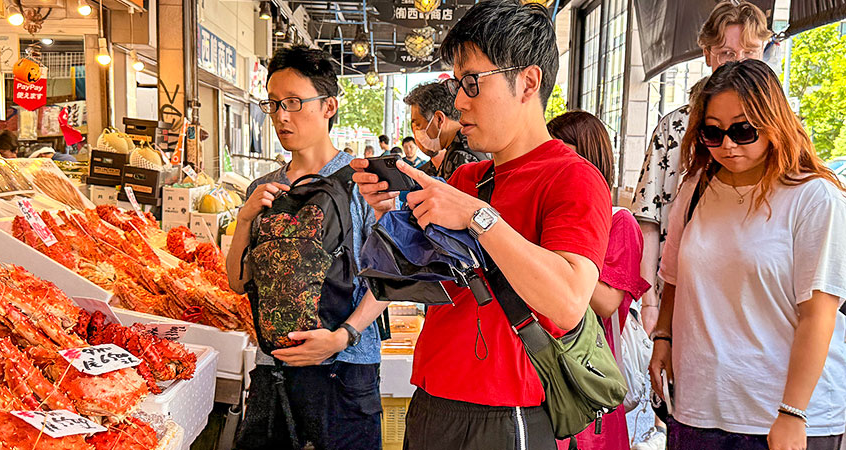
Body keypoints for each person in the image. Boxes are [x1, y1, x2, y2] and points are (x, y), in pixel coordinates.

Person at [351, 1, 612, 448]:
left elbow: (569, 302)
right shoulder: (468, 177)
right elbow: (424, 285)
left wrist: (477, 216)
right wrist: (391, 218)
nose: (458, 100)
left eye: (472, 82)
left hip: (507, 412)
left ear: (527, 82)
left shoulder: (573, 177)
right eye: (457, 83)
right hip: (433, 398)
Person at [649, 59, 846, 450]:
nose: (727, 145)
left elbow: (819, 314)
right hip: (697, 411)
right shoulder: (694, 189)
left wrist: (793, 413)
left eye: (743, 130)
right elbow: (674, 276)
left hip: (782, 417)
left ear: (773, 123)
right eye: (713, 132)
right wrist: (663, 336)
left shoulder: (814, 197)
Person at [225, 45, 387, 450]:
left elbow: (388, 275)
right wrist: (245, 220)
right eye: (274, 103)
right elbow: (238, 281)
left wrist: (343, 336)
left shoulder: (364, 182)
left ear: (329, 105)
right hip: (274, 369)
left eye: (295, 102)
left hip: (345, 369)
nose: (282, 115)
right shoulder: (263, 188)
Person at [632, 0, 772, 336]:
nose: (738, 63)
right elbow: (649, 219)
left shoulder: (778, 128)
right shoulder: (676, 127)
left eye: (749, 52)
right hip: (681, 296)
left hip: (756, 300)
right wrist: (649, 302)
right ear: (707, 54)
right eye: (726, 53)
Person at [549, 111, 651, 450]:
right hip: (544, 373)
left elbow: (608, 304)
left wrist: (554, 252)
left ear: (589, 156)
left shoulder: (618, 222)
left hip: (587, 381)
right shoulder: (550, 215)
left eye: (563, 151)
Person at [404, 81, 487, 180]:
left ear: (439, 119)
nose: (417, 133)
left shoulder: (460, 156)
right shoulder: (470, 141)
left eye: (418, 124)